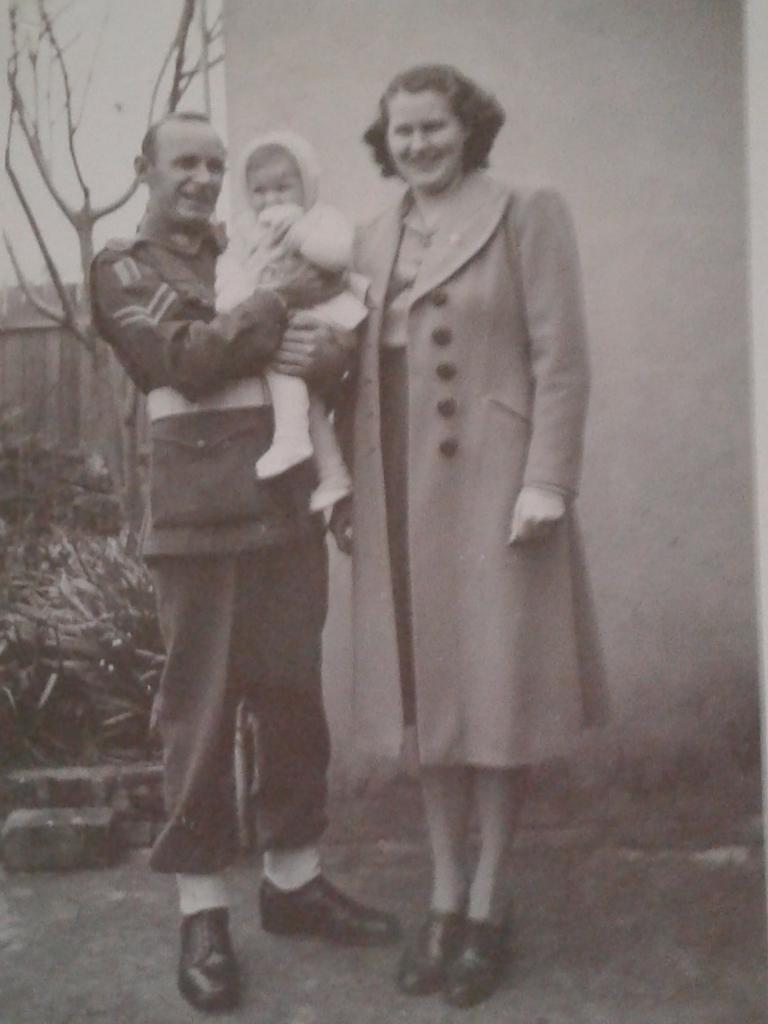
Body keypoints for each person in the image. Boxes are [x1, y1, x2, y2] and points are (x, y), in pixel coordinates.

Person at [90, 111, 399, 1016]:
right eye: (184, 161)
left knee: (294, 703)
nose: (201, 177)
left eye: (213, 164)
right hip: (197, 524)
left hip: (284, 511)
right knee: (198, 714)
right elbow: (179, 358)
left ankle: (295, 884)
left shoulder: (253, 249)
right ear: (144, 168)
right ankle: (203, 912)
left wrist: (332, 347)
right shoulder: (124, 267)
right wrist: (275, 304)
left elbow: (321, 356)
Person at [331, 65, 607, 1009]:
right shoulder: (367, 237)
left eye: (433, 127)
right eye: (400, 131)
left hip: (494, 481)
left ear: (468, 128)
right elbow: (339, 370)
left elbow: (561, 358)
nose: (417, 145)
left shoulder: (528, 209)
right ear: (385, 140)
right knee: (428, 705)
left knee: (495, 695)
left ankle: (490, 901)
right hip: (395, 482)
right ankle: (441, 895)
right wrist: (338, 484)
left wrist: (548, 480)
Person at [216, 130, 368, 512]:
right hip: (282, 313)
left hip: (325, 309)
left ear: (307, 186)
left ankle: (291, 439)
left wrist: (300, 236)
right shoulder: (246, 230)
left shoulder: (322, 219)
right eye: (260, 191)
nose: (271, 200)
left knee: (287, 368)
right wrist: (234, 295)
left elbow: (340, 256)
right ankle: (333, 475)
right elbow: (232, 266)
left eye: (283, 189)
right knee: (305, 397)